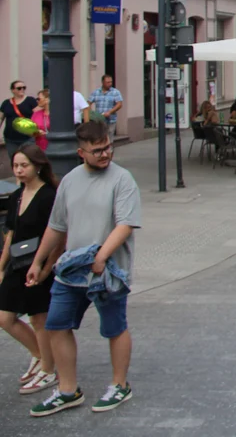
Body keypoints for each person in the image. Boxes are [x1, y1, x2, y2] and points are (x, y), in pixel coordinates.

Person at [26, 120, 142, 417]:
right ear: (81, 152)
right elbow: (56, 226)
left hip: (109, 271)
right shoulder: (70, 181)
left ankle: (119, 385)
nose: (105, 154)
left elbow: (125, 224)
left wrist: (102, 257)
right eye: (97, 150)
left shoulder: (122, 179)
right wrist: (39, 262)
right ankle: (68, 390)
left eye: (108, 147)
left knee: (114, 327)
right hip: (72, 268)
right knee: (57, 324)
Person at [0, 144, 61, 396]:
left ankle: (48, 369)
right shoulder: (16, 196)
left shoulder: (49, 196)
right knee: (5, 317)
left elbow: (58, 236)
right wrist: (1, 266)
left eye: (24, 165)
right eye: (16, 166)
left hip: (40, 265)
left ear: (37, 166)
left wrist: (46, 269)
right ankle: (39, 354)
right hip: (18, 263)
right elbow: (10, 234)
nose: (19, 170)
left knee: (38, 318)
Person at [1, 79, 38, 164]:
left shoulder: (30, 101)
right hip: (10, 138)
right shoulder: (6, 103)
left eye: (24, 88)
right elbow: (1, 118)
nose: (22, 90)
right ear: (13, 90)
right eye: (19, 88)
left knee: (28, 159)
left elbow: (38, 116)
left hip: (27, 137)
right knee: (14, 159)